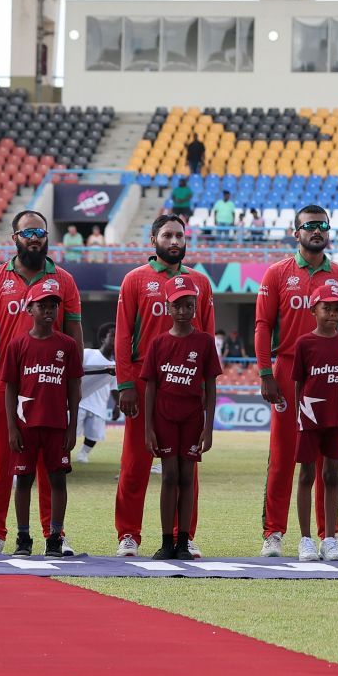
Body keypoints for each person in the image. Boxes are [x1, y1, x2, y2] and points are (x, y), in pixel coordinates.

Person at [0, 211, 82, 556]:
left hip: (50, 388)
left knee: (51, 467)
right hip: (6, 388)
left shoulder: (63, 280)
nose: (34, 238)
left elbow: (75, 333)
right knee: (2, 464)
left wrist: (72, 382)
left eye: (40, 232)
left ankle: (55, 534)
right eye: (27, 232)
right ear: (14, 236)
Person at [257, 204, 338, 556]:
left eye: (322, 226)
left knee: (328, 460)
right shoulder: (277, 273)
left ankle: (328, 534)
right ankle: (274, 533)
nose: (316, 231)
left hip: (331, 378)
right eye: (309, 226)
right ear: (295, 231)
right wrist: (265, 372)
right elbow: (263, 326)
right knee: (284, 455)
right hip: (289, 373)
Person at [113, 213, 216, 556]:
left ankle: (183, 534)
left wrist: (202, 386)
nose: (175, 242)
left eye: (180, 236)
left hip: (185, 385)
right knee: (135, 461)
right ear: (153, 240)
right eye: (168, 235)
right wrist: (125, 384)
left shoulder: (200, 282)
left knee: (188, 464)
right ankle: (128, 533)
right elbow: (123, 335)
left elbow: (208, 337)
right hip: (144, 383)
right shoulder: (135, 280)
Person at [1, 284, 80, 558]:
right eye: (42, 305)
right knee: (23, 480)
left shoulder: (67, 345)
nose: (48, 310)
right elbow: (10, 388)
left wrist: (73, 426)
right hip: (25, 426)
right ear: (29, 308)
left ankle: (55, 537)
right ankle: (23, 537)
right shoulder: (18, 345)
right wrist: (11, 426)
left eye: (53, 305)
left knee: (58, 481)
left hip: (57, 425)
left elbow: (74, 388)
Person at [141, 282, 216, 560]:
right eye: (177, 305)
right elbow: (150, 388)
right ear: (167, 307)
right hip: (164, 418)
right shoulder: (159, 343)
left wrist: (208, 429)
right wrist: (148, 428)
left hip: (192, 419)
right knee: (169, 476)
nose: (183, 311)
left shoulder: (205, 342)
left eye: (188, 305)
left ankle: (183, 540)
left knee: (187, 477)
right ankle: (165, 541)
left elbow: (210, 387)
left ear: (196, 307)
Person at [292, 282, 338, 560]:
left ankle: (329, 538)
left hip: (335, 418)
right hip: (310, 416)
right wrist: (299, 414)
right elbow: (298, 383)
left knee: (332, 475)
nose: (332, 314)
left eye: (337, 309)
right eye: (326, 308)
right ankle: (305, 539)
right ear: (313, 310)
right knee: (306, 475)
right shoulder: (304, 343)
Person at [76, 330, 113, 464]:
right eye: (112, 336)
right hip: (81, 400)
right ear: (104, 338)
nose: (116, 339)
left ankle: (84, 453)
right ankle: (62, 455)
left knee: (94, 434)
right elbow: (76, 370)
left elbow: (115, 386)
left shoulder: (117, 364)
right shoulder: (88, 353)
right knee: (70, 432)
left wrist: (117, 405)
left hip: (100, 403)